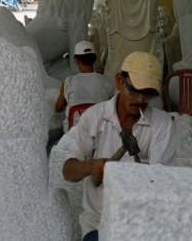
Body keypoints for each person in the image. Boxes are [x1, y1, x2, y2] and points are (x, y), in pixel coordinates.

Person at [62, 51, 176, 241]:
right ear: (119, 81)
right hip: (98, 221)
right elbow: (68, 172)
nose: (140, 100)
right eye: (135, 90)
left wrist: (123, 172)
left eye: (148, 95)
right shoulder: (93, 117)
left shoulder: (162, 124)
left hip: (142, 222)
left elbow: (160, 183)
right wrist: (91, 166)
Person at [55, 41, 115, 132]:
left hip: (73, 135)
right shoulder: (107, 82)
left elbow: (58, 108)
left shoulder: (68, 82)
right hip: (99, 134)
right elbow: (112, 108)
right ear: (94, 59)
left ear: (77, 61)